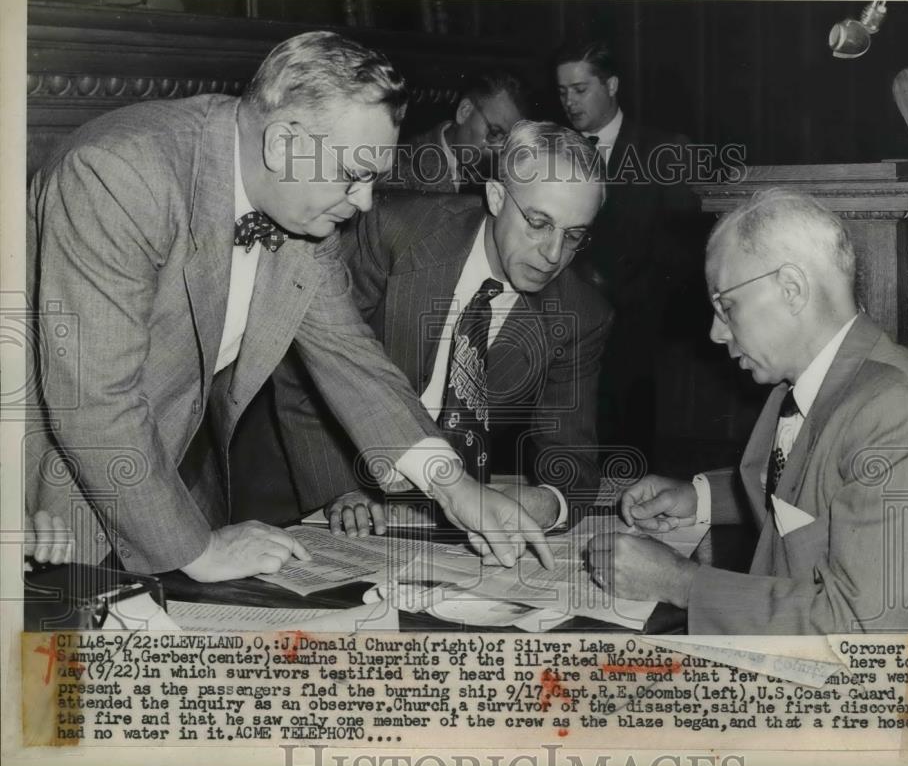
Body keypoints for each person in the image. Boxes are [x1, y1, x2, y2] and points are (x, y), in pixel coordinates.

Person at [25, 30, 553, 582]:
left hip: (161, 481)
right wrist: (196, 552)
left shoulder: (300, 202)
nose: (366, 203)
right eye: (356, 176)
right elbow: (94, 401)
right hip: (50, 496)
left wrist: (456, 487)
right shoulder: (119, 173)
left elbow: (351, 357)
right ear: (282, 144)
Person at [586, 188, 908, 634]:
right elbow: (814, 487)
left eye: (727, 306)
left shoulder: (903, 417)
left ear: (791, 289)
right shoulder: (813, 383)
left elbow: (857, 629)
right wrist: (701, 498)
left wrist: (681, 582)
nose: (716, 332)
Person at [271, 121, 611, 536]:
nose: (554, 254)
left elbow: (573, 461)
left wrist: (546, 503)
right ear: (497, 195)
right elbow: (302, 363)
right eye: (539, 223)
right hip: (313, 481)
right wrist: (338, 489)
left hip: (454, 511)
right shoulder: (395, 232)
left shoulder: (580, 314)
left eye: (574, 235)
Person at [555, 39, 700, 465]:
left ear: (612, 84)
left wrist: (618, 292)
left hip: (634, 342)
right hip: (561, 335)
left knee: (626, 461)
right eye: (562, 91)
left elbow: (681, 252)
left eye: (580, 89)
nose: (569, 102)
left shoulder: (665, 149)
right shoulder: (551, 148)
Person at [388, 69, 528, 193]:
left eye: (508, 142)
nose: (498, 150)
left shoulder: (498, 178)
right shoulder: (400, 172)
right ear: (464, 112)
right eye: (494, 133)